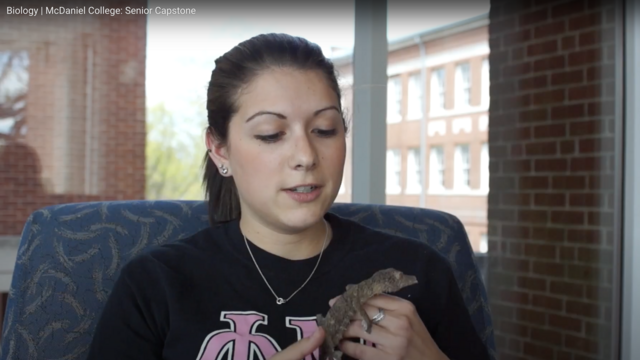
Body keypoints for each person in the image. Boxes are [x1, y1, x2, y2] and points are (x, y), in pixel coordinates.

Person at [86, 33, 491, 360]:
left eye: (325, 129)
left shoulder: (418, 271)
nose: (305, 156)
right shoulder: (156, 284)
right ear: (220, 149)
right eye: (271, 134)